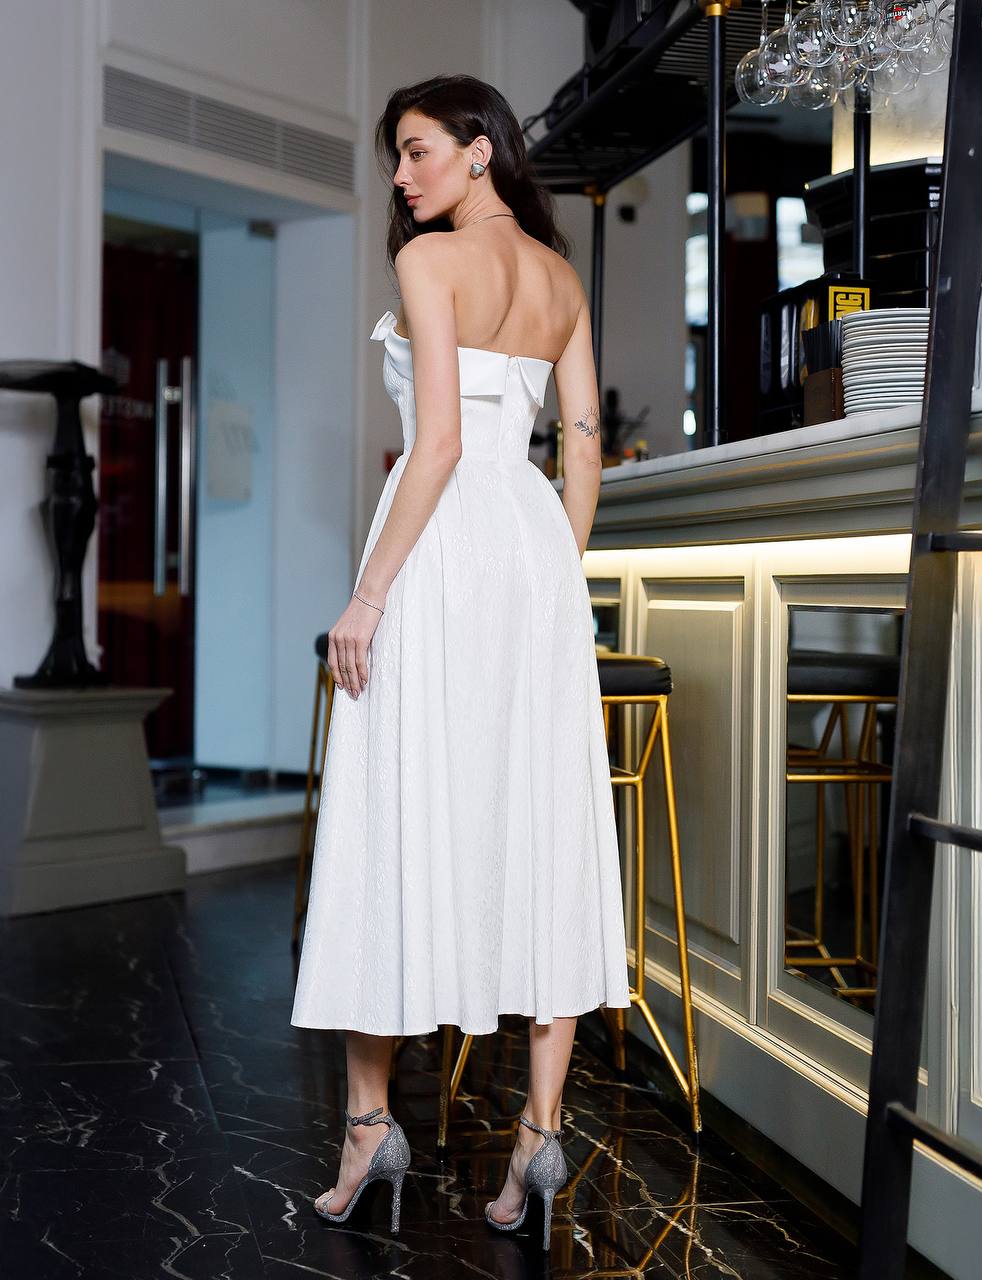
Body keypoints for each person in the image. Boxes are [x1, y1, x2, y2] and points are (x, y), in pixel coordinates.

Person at [290, 72, 632, 1251]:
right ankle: (538, 1135)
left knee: (395, 815)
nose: (401, 174)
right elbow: (580, 446)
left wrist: (368, 594)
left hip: (439, 548)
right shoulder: (561, 278)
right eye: (397, 155)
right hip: (534, 548)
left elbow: (434, 441)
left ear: (480, 150)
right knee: (536, 824)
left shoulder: (431, 267)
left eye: (417, 150)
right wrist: (551, 572)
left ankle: (370, 1122)